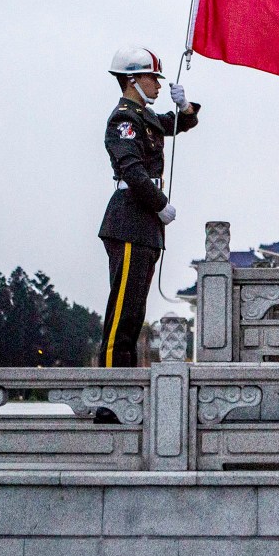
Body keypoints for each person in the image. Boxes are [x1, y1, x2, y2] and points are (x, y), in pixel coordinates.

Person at [98, 46, 200, 372]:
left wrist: (185, 108)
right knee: (123, 314)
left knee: (135, 310)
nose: (158, 84)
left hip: (144, 222)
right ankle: (111, 392)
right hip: (130, 217)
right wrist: (160, 204)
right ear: (132, 80)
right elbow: (132, 169)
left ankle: (122, 385)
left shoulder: (146, 118)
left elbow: (177, 124)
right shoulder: (124, 120)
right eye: (152, 77)